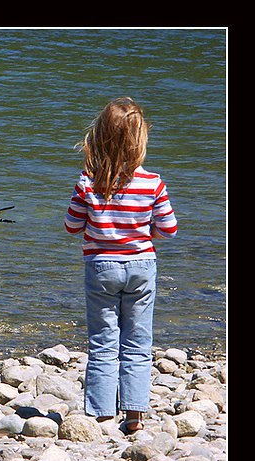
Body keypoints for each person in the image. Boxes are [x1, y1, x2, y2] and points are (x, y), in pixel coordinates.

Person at [64, 97, 178, 432]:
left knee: (103, 339)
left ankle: (100, 414)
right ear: (141, 140)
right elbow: (169, 230)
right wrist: (144, 232)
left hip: (101, 266)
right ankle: (134, 416)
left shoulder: (88, 182)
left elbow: (71, 226)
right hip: (142, 264)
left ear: (99, 137)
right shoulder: (152, 183)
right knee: (138, 340)